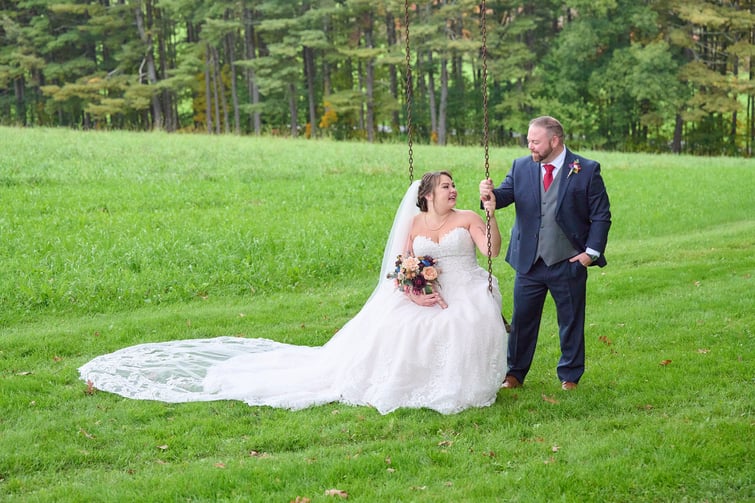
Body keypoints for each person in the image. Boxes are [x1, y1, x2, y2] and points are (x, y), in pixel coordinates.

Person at [79, 171, 508, 415]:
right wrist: (416, 294)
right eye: (447, 187)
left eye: (454, 187)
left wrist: (490, 216)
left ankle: (452, 384)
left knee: (464, 320)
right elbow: (401, 268)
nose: (454, 191)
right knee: (395, 325)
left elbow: (490, 250)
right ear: (429, 195)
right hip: (424, 289)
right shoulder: (414, 225)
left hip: (464, 285)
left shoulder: (468, 215)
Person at [479, 116, 611, 391]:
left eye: (535, 141)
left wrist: (591, 253)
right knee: (522, 320)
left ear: (555, 140)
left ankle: (570, 376)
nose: (530, 147)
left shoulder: (586, 170)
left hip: (568, 260)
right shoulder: (521, 166)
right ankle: (514, 374)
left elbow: (601, 215)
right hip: (529, 261)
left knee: (571, 320)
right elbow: (504, 195)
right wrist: (489, 196)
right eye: (528, 141)